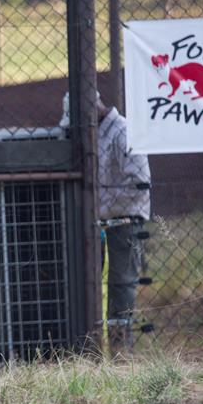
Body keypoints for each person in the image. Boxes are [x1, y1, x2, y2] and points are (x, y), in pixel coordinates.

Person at [61, 91, 151, 352]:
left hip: (125, 220)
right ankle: (90, 345)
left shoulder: (123, 131)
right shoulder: (94, 131)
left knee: (121, 284)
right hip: (99, 220)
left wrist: (97, 207)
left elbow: (140, 185)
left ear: (92, 109)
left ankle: (121, 347)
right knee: (89, 281)